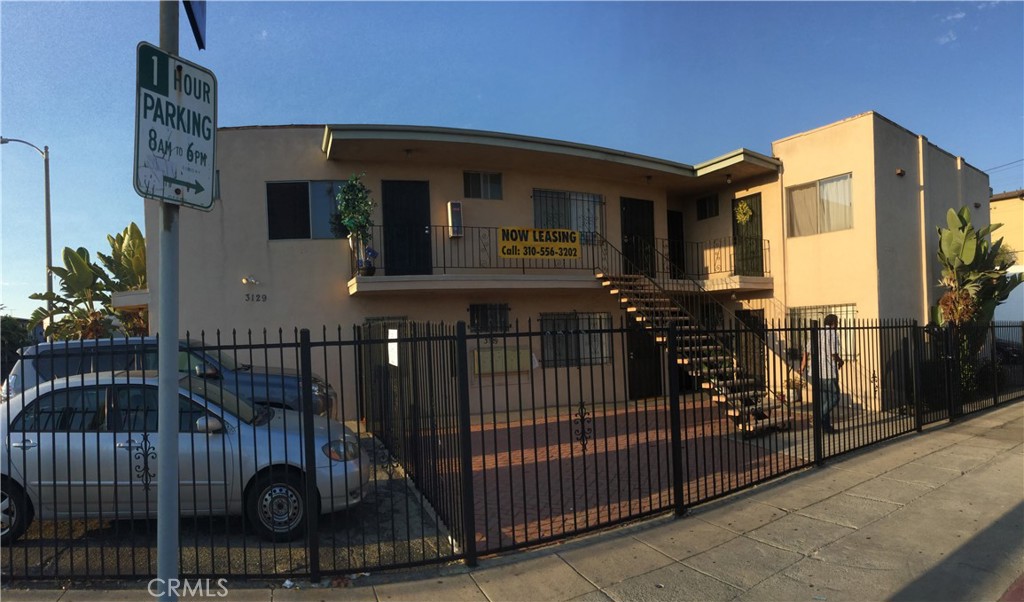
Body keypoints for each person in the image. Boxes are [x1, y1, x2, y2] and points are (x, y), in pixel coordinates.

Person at [800, 313, 843, 433]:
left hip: (815, 372)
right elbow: (833, 354)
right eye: (837, 322)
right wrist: (841, 361)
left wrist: (803, 365)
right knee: (835, 397)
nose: (838, 325)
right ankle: (817, 417)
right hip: (828, 372)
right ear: (833, 323)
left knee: (824, 400)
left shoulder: (817, 332)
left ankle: (826, 427)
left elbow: (807, 351)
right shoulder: (833, 334)